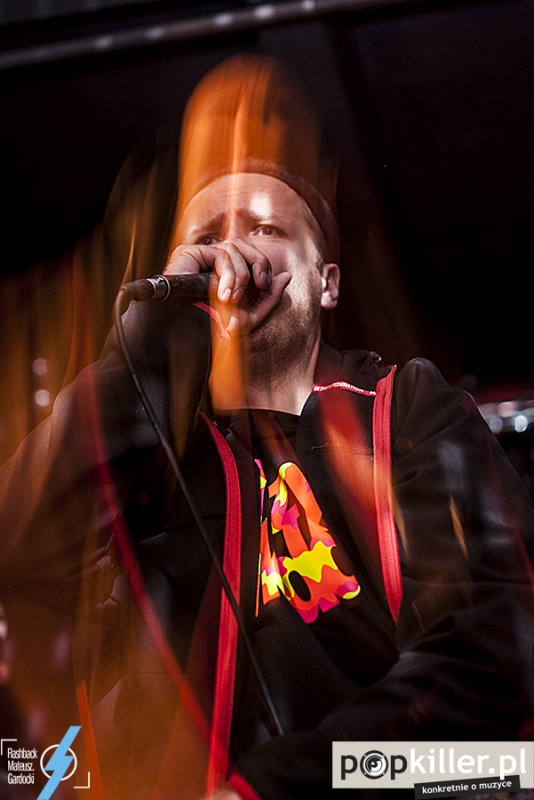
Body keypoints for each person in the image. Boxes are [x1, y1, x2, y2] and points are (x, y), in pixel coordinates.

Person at [1, 55, 533, 800]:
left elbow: (489, 656)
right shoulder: (155, 463)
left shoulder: (406, 408)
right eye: (208, 236)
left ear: (328, 282)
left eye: (266, 227)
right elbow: (23, 549)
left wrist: (272, 789)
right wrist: (146, 352)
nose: (235, 251)